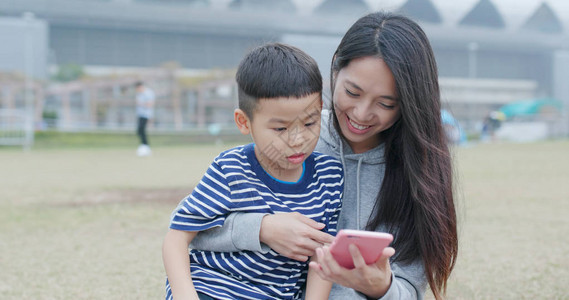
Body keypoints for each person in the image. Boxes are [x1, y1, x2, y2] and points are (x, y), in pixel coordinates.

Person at [190, 12, 458, 300]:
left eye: (385, 103)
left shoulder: (419, 171)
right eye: (352, 92)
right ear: (334, 73)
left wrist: (381, 287)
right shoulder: (296, 140)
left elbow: (410, 291)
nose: (361, 114)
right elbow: (193, 230)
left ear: (408, 104)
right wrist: (262, 228)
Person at [162, 43, 345, 300]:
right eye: (280, 129)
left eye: (309, 123)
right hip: (212, 289)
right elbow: (178, 235)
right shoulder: (230, 169)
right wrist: (185, 295)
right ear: (243, 122)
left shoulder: (329, 176)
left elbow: (322, 255)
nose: (297, 139)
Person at [135, 81, 155, 156]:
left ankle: (146, 147)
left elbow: (150, 104)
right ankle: (144, 145)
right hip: (140, 114)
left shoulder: (148, 93)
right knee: (139, 130)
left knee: (142, 130)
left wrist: (141, 104)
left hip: (146, 115)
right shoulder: (139, 94)